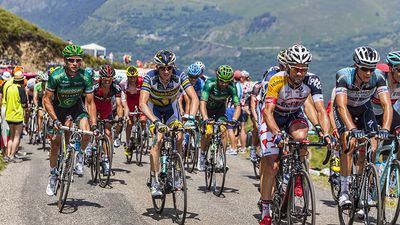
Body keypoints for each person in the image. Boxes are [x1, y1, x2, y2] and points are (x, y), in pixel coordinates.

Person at [259, 44, 331, 224]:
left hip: (293, 114)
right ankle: (266, 210)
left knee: (301, 139)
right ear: (288, 67)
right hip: (273, 117)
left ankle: (297, 175)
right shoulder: (276, 80)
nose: (300, 73)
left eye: (303, 69)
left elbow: (320, 110)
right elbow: (267, 112)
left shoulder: (312, 80)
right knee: (272, 165)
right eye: (296, 69)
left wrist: (325, 132)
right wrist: (276, 133)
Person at [334, 46, 392, 212]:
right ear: (356, 66)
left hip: (365, 110)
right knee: (348, 142)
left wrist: (386, 128)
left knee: (372, 148)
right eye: (364, 69)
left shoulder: (379, 76)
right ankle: (344, 191)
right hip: (345, 111)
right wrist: (352, 129)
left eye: (371, 69)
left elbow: (386, 104)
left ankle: (364, 189)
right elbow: (341, 106)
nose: (368, 73)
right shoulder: (344, 75)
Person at [139, 50, 199, 196]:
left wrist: (190, 118)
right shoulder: (150, 78)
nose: (166, 72)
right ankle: (154, 181)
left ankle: (178, 173)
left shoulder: (180, 76)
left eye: (169, 68)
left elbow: (194, 98)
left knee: (179, 137)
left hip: (171, 108)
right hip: (154, 110)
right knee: (158, 140)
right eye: (162, 68)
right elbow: (142, 104)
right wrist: (155, 121)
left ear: (173, 67)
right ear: (157, 68)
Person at [44, 44, 97, 196]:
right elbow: (47, 100)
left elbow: (90, 102)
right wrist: (54, 119)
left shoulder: (85, 76)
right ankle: (53, 174)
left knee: (86, 132)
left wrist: (94, 125)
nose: (75, 63)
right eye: (71, 60)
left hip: (76, 108)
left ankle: (80, 155)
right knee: (55, 142)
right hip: (58, 109)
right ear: (65, 61)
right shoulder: (57, 76)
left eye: (78, 60)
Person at [199, 65, 241, 170]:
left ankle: (222, 157)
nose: (224, 84)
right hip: (207, 110)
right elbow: (203, 103)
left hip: (220, 110)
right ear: (217, 78)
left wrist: (234, 119)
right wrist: (205, 118)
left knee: (223, 130)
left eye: (227, 82)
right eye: (222, 81)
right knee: (208, 132)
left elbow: (238, 106)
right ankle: (202, 156)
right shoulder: (210, 83)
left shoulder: (232, 87)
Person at [92, 65, 123, 175]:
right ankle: (89, 148)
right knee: (93, 130)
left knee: (108, 133)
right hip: (94, 107)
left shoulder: (116, 88)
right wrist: (93, 120)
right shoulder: (94, 86)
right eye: (105, 78)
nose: (107, 81)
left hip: (106, 109)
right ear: (101, 77)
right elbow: (89, 102)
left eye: (110, 78)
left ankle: (106, 159)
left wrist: (119, 118)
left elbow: (119, 105)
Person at [1, 70, 27, 163]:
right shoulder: (21, 89)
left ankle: (7, 155)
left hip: (9, 115)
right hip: (17, 115)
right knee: (17, 136)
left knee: (11, 137)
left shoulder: (8, 88)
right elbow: (24, 104)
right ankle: (12, 156)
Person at [123, 65, 147, 156]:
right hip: (130, 101)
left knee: (143, 120)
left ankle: (143, 135)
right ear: (127, 77)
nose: (132, 79)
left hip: (139, 100)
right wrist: (126, 109)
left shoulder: (142, 81)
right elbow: (123, 98)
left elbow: (146, 93)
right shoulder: (124, 83)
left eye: (134, 77)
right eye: (130, 77)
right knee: (129, 124)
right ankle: (128, 142)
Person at [33, 71, 48, 143]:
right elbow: (35, 98)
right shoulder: (37, 85)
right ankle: (39, 130)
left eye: (46, 81)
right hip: (39, 100)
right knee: (40, 114)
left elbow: (47, 98)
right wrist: (37, 106)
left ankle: (48, 131)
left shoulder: (48, 85)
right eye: (43, 81)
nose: (45, 83)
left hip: (46, 100)